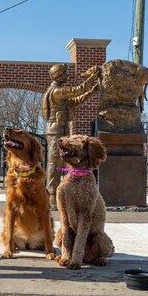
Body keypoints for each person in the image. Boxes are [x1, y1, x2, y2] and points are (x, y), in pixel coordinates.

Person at [41, 63, 99, 207]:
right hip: (55, 131)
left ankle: (60, 194)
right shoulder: (56, 92)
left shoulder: (60, 94)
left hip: (60, 130)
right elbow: (77, 90)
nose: (67, 75)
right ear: (59, 75)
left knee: (62, 163)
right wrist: (93, 78)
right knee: (53, 163)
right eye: (65, 73)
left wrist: (93, 91)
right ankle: (51, 196)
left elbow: (76, 101)